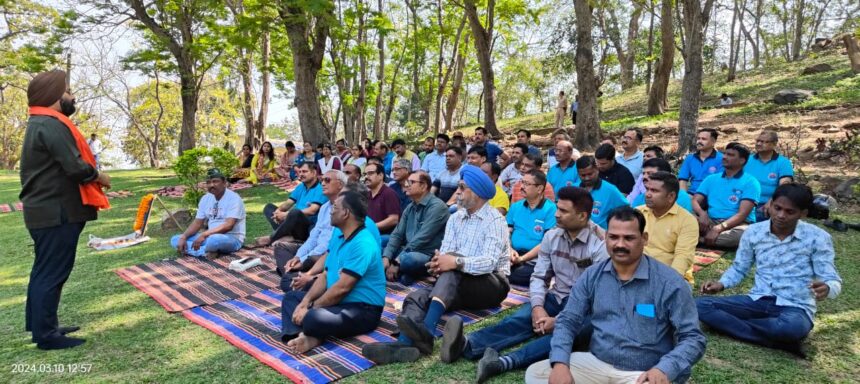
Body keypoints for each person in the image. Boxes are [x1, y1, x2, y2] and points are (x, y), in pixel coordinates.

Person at [526, 207, 707, 384]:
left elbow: (693, 338)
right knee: (537, 373)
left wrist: (664, 369)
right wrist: (560, 364)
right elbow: (568, 321)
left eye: (629, 238)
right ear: (605, 238)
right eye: (613, 237)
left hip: (644, 372)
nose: (620, 244)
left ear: (644, 239)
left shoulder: (669, 282)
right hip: (597, 364)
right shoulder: (592, 275)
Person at [451, 187, 607, 383]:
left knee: (566, 334)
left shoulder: (600, 244)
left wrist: (559, 321)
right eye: (557, 208)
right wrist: (538, 307)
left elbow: (594, 295)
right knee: (519, 318)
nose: (556, 215)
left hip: (584, 305)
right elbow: (540, 276)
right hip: (556, 296)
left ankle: (504, 362)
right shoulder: (552, 236)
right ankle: (467, 344)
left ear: (583, 216)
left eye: (563, 211)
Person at [362, 165, 511, 364]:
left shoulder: (495, 220)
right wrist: (438, 263)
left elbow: (489, 263)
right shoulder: (456, 218)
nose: (457, 192)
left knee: (452, 270)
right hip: (460, 284)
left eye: (462, 187)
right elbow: (446, 253)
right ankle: (404, 344)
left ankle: (428, 332)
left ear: (476, 193)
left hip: (492, 285)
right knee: (416, 297)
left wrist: (454, 262)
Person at [22, 70, 111, 350]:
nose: (72, 98)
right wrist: (99, 176)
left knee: (45, 270)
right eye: (68, 92)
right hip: (56, 212)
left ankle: (43, 326)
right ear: (54, 95)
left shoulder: (41, 123)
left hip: (47, 210)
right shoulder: (50, 125)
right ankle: (47, 335)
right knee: (52, 272)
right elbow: (74, 167)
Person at [697, 183, 841, 356]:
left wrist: (828, 288)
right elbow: (739, 268)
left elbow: (831, 278)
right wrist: (721, 284)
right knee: (699, 305)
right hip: (757, 300)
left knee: (791, 328)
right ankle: (774, 340)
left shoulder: (818, 237)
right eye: (777, 208)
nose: (780, 215)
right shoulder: (753, 232)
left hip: (795, 307)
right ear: (770, 204)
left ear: (803, 213)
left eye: (790, 212)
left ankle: (743, 327)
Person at [280, 191, 386, 354]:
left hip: (363, 309)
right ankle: (303, 335)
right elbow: (325, 275)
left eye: (335, 207)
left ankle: (310, 332)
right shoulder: (340, 236)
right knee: (291, 297)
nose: (330, 210)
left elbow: (343, 288)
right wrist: (305, 301)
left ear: (345, 213)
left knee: (313, 316)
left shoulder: (363, 243)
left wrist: (310, 308)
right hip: (339, 302)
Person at [274, 169, 347, 279]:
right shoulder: (324, 207)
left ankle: (292, 276)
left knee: (312, 259)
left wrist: (304, 259)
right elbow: (314, 236)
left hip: (326, 254)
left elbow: (329, 243)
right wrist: (298, 256)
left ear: (340, 184)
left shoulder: (345, 208)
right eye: (322, 180)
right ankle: (293, 275)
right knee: (280, 247)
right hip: (315, 249)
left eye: (327, 180)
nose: (322, 183)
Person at [383, 171, 450, 285]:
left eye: (411, 182)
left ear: (423, 186)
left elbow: (421, 238)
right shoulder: (410, 207)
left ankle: (410, 272)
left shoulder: (437, 207)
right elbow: (397, 234)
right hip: (408, 249)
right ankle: (404, 274)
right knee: (381, 241)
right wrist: (386, 257)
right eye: (407, 182)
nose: (406, 185)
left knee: (409, 260)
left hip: (426, 254)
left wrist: (396, 262)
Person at [692, 142, 761, 249]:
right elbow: (695, 200)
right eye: (725, 154)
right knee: (685, 220)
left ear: (742, 160)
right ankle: (708, 239)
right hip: (710, 221)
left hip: (738, 225)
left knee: (743, 235)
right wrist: (702, 214)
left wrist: (719, 228)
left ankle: (699, 239)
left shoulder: (751, 182)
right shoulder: (711, 178)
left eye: (730, 155)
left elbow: (742, 214)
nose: (724, 157)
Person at [637, 171, 698, 284]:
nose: (647, 194)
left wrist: (669, 282)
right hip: (637, 272)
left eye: (654, 191)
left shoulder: (687, 220)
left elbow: (683, 256)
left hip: (668, 275)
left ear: (671, 196)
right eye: (647, 189)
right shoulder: (637, 213)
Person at [171, 168, 246, 259]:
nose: (211, 185)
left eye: (215, 181)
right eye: (208, 182)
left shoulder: (234, 198)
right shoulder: (205, 199)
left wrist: (204, 234)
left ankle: (194, 250)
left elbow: (228, 225)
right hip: (209, 237)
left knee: (214, 240)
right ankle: (206, 252)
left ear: (224, 183)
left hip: (231, 238)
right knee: (175, 239)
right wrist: (184, 236)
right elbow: (197, 223)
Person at [506, 170, 557, 286]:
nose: (522, 187)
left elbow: (547, 242)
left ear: (539, 189)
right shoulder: (516, 207)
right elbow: (506, 233)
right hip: (513, 255)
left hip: (535, 259)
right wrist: (510, 250)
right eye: (522, 182)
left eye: (527, 184)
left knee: (528, 274)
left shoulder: (551, 209)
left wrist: (522, 259)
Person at [261, 161, 327, 245]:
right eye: (299, 172)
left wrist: (286, 215)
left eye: (304, 171)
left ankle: (272, 238)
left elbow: (312, 210)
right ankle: (286, 236)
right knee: (269, 208)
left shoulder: (321, 188)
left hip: (306, 228)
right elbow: (287, 204)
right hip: (291, 222)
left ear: (314, 173)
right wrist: (278, 212)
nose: (301, 174)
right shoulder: (301, 187)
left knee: (295, 212)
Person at [745, 130, 794, 222]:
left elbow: (784, 186)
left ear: (774, 144)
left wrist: (772, 201)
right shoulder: (747, 160)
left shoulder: (783, 162)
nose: (759, 144)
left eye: (764, 142)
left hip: (767, 204)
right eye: (758, 141)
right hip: (745, 201)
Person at [574, 156, 629, 229]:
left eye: (590, 174)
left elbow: (626, 211)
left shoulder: (610, 190)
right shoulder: (573, 189)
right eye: (583, 175)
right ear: (578, 173)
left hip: (601, 236)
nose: (587, 178)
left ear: (597, 170)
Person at [630, 158, 695, 213]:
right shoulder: (640, 198)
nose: (644, 177)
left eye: (650, 173)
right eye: (643, 173)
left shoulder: (681, 197)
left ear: (665, 175)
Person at [678, 128, 723, 194]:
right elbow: (683, 180)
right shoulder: (690, 158)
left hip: (712, 195)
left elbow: (721, 182)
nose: (699, 141)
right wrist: (684, 196)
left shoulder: (722, 159)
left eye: (704, 139)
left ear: (713, 142)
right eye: (698, 138)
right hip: (692, 194)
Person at [365, 163, 401, 238]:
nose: (366, 177)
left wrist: (371, 227)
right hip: (369, 234)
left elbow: (394, 219)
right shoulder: (366, 195)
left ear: (381, 175)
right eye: (365, 174)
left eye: (370, 173)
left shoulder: (389, 193)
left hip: (385, 237)